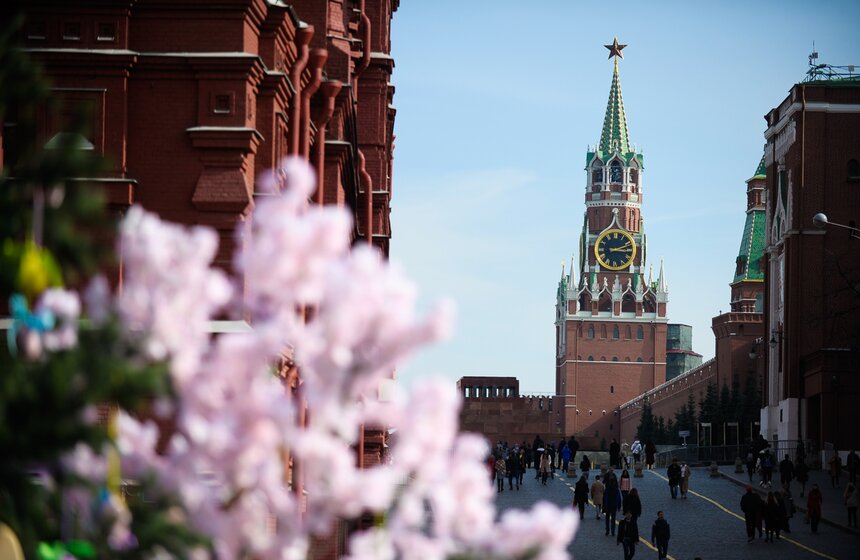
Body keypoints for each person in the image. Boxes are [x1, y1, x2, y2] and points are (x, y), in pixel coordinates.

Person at [603, 469, 622, 536]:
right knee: (613, 519)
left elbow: (604, 499)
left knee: (607, 519)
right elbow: (619, 499)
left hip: (608, 505)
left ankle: (607, 531)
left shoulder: (606, 490)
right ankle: (613, 531)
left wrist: (603, 507)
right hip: (614, 506)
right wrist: (619, 506)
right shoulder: (616, 490)